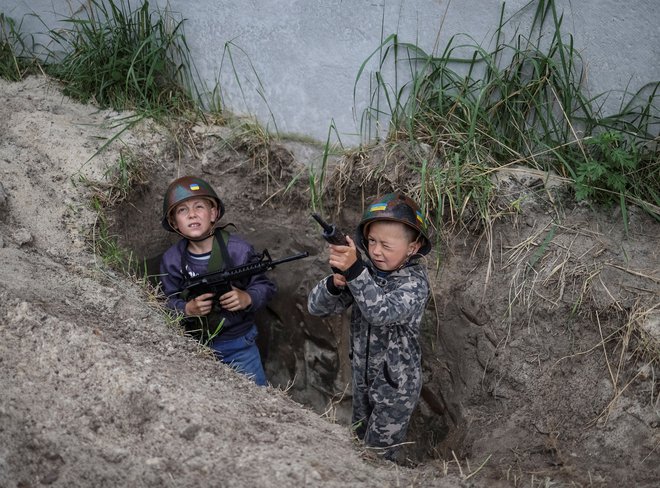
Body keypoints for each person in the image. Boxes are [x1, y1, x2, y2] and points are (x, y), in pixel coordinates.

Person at [307, 192, 432, 462]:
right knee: (357, 445)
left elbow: (380, 312)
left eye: (386, 245)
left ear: (413, 247)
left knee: (377, 458)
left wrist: (355, 273)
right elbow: (316, 308)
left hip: (395, 388)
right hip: (362, 379)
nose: (376, 251)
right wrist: (335, 283)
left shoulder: (415, 283)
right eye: (372, 241)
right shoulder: (367, 272)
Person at [159, 175, 276, 386]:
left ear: (213, 213)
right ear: (174, 222)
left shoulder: (238, 251)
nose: (192, 214)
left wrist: (247, 297)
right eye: (182, 210)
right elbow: (166, 302)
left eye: (199, 207)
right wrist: (187, 309)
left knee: (257, 399)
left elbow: (265, 287)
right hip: (192, 347)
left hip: (239, 345)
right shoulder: (172, 260)